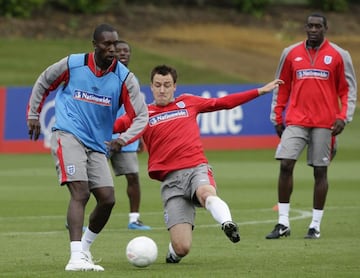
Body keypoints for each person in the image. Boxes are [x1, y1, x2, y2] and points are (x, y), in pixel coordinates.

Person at [111, 64, 283, 263]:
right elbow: (117, 126)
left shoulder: (188, 102)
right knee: (182, 247)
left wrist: (260, 91)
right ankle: (173, 253)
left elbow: (223, 103)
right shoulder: (144, 114)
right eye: (158, 85)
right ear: (151, 86)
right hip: (171, 182)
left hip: (195, 168)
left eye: (167, 85)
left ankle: (227, 223)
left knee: (206, 193)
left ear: (175, 86)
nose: (162, 90)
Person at [27, 23, 148, 271]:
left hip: (97, 145)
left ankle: (83, 250)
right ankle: (74, 258)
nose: (112, 49)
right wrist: (33, 114)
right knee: (80, 192)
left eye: (115, 44)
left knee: (108, 199)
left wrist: (124, 139)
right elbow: (44, 81)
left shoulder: (124, 78)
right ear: (95, 45)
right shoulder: (73, 64)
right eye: (107, 44)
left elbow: (142, 116)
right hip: (68, 135)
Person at [266, 13, 357, 240]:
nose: (313, 29)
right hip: (296, 119)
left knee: (320, 171)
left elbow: (348, 90)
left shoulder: (339, 55)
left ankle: (315, 225)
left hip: (325, 123)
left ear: (326, 28)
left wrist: (343, 117)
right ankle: (283, 223)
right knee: (285, 163)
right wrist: (277, 116)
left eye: (318, 26)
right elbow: (282, 86)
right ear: (305, 28)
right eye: (310, 25)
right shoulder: (290, 53)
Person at [110, 40, 151, 230]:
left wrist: (139, 136)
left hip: (126, 138)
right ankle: (81, 220)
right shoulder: (102, 75)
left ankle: (134, 219)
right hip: (102, 135)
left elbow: (138, 113)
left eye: (126, 51)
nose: (123, 53)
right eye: (119, 51)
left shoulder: (131, 80)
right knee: (91, 178)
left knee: (133, 177)